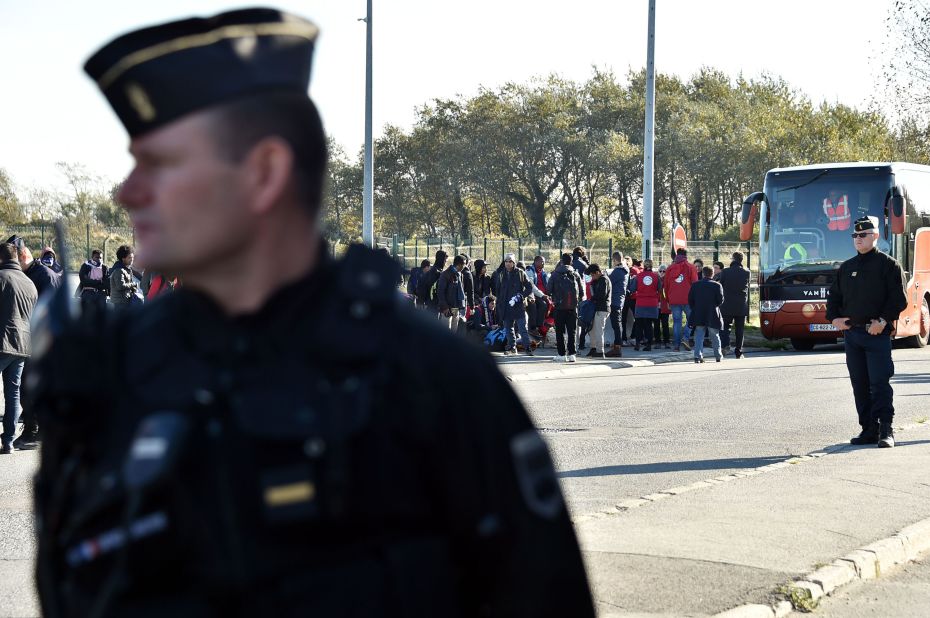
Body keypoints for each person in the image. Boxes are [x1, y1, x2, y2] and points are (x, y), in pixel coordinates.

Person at [29, 9, 593, 617]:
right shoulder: (107, 370)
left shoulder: (429, 377)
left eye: (160, 163)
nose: (127, 191)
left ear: (264, 172)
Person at [826, 216, 908, 448]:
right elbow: (834, 297)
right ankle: (868, 429)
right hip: (853, 335)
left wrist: (882, 321)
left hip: (877, 334)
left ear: (875, 236)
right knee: (859, 383)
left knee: (880, 383)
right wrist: (834, 318)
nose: (858, 239)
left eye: (863, 235)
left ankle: (886, 430)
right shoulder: (847, 267)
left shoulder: (888, 265)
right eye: (855, 235)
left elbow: (898, 299)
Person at [0, 242, 38, 454]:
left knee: (13, 394)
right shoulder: (29, 283)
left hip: (2, 341)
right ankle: (8, 442)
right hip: (23, 345)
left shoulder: (1, 278)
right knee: (13, 395)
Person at [493, 253, 535, 356]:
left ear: (513, 262)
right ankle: (512, 347)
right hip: (505, 306)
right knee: (508, 329)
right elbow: (497, 290)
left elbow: (529, 287)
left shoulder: (520, 273)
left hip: (518, 306)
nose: (507, 263)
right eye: (506, 261)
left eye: (510, 261)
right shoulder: (501, 274)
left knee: (522, 328)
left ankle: (527, 348)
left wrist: (521, 296)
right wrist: (499, 304)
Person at [548, 253, 584, 362]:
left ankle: (561, 354)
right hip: (573, 307)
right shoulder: (576, 274)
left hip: (559, 307)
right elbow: (581, 293)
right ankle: (572, 354)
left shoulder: (555, 274)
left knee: (560, 331)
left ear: (561, 261)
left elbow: (549, 290)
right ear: (571, 262)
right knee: (571, 331)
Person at [688, 266, 725, 363]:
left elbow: (690, 300)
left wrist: (696, 308)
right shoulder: (717, 285)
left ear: (703, 274)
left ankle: (697, 356)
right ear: (712, 274)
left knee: (699, 335)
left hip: (699, 313)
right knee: (715, 336)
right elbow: (720, 301)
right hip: (712, 313)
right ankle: (718, 356)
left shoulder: (695, 285)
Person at [718, 252, 751, 358]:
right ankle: (738, 351)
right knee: (740, 329)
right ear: (741, 260)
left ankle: (725, 345)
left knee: (725, 327)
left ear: (732, 259)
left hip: (727, 304)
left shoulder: (725, 272)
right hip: (741, 305)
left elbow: (721, 285)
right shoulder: (747, 272)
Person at [664, 248, 697, 351]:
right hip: (688, 299)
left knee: (677, 322)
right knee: (692, 319)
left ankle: (676, 346)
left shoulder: (670, 268)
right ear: (686, 255)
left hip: (674, 299)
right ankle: (686, 337)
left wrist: (668, 300)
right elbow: (695, 284)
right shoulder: (691, 267)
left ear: (676, 255)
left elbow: (666, 286)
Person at [627, 259, 661, 352]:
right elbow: (660, 289)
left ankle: (637, 344)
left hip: (641, 302)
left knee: (639, 324)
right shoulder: (656, 276)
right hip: (652, 303)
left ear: (644, 266)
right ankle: (649, 344)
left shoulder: (638, 276)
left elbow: (632, 289)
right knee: (649, 324)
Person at [585, 264, 611, 358]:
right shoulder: (599, 280)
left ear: (597, 272)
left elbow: (601, 295)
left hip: (602, 308)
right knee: (592, 330)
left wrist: (593, 298)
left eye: (592, 275)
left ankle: (600, 351)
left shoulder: (604, 280)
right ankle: (593, 348)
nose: (592, 277)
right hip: (598, 308)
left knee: (598, 330)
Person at [605, 251, 628, 357]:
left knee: (616, 325)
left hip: (615, 300)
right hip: (620, 300)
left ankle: (617, 346)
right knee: (617, 324)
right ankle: (617, 344)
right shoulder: (625, 270)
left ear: (614, 260)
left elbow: (608, 282)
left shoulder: (617, 272)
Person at [437, 254, 466, 331]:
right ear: (459, 265)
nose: (465, 266)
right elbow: (440, 292)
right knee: (445, 332)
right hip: (447, 308)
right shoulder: (446, 274)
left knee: (453, 332)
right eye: (464, 264)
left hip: (456, 308)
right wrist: (445, 307)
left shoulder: (460, 275)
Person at [525, 255, 551, 338]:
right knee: (534, 306)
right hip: (531, 294)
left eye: (544, 261)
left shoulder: (543, 272)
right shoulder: (530, 271)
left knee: (546, 304)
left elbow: (548, 284)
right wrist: (543, 295)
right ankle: (533, 328)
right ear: (536, 262)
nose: (543, 263)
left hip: (541, 295)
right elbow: (531, 286)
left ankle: (540, 326)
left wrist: (549, 295)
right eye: (541, 261)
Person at [109, 244, 138, 310]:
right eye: (129, 258)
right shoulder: (119, 270)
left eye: (133, 257)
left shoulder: (126, 269)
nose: (132, 260)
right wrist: (133, 284)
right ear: (123, 258)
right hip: (120, 302)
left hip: (125, 300)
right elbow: (120, 286)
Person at [655, 264, 671, 348]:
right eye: (660, 271)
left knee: (665, 324)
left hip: (665, 306)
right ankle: (657, 341)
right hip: (656, 305)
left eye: (664, 271)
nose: (662, 272)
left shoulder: (668, 280)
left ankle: (666, 341)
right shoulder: (656, 280)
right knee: (656, 324)